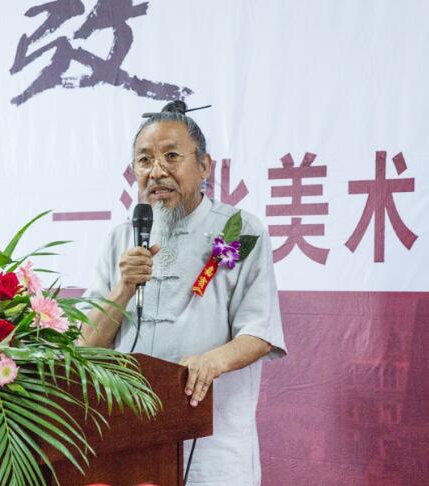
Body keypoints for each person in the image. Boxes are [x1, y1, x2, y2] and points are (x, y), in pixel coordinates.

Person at [81, 101, 287, 486]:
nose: (157, 171)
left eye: (171, 156)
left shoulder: (241, 229)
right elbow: (86, 343)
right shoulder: (121, 238)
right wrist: (124, 288)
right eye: (145, 160)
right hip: (128, 440)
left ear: (205, 166)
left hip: (213, 442)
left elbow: (259, 332)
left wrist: (211, 362)